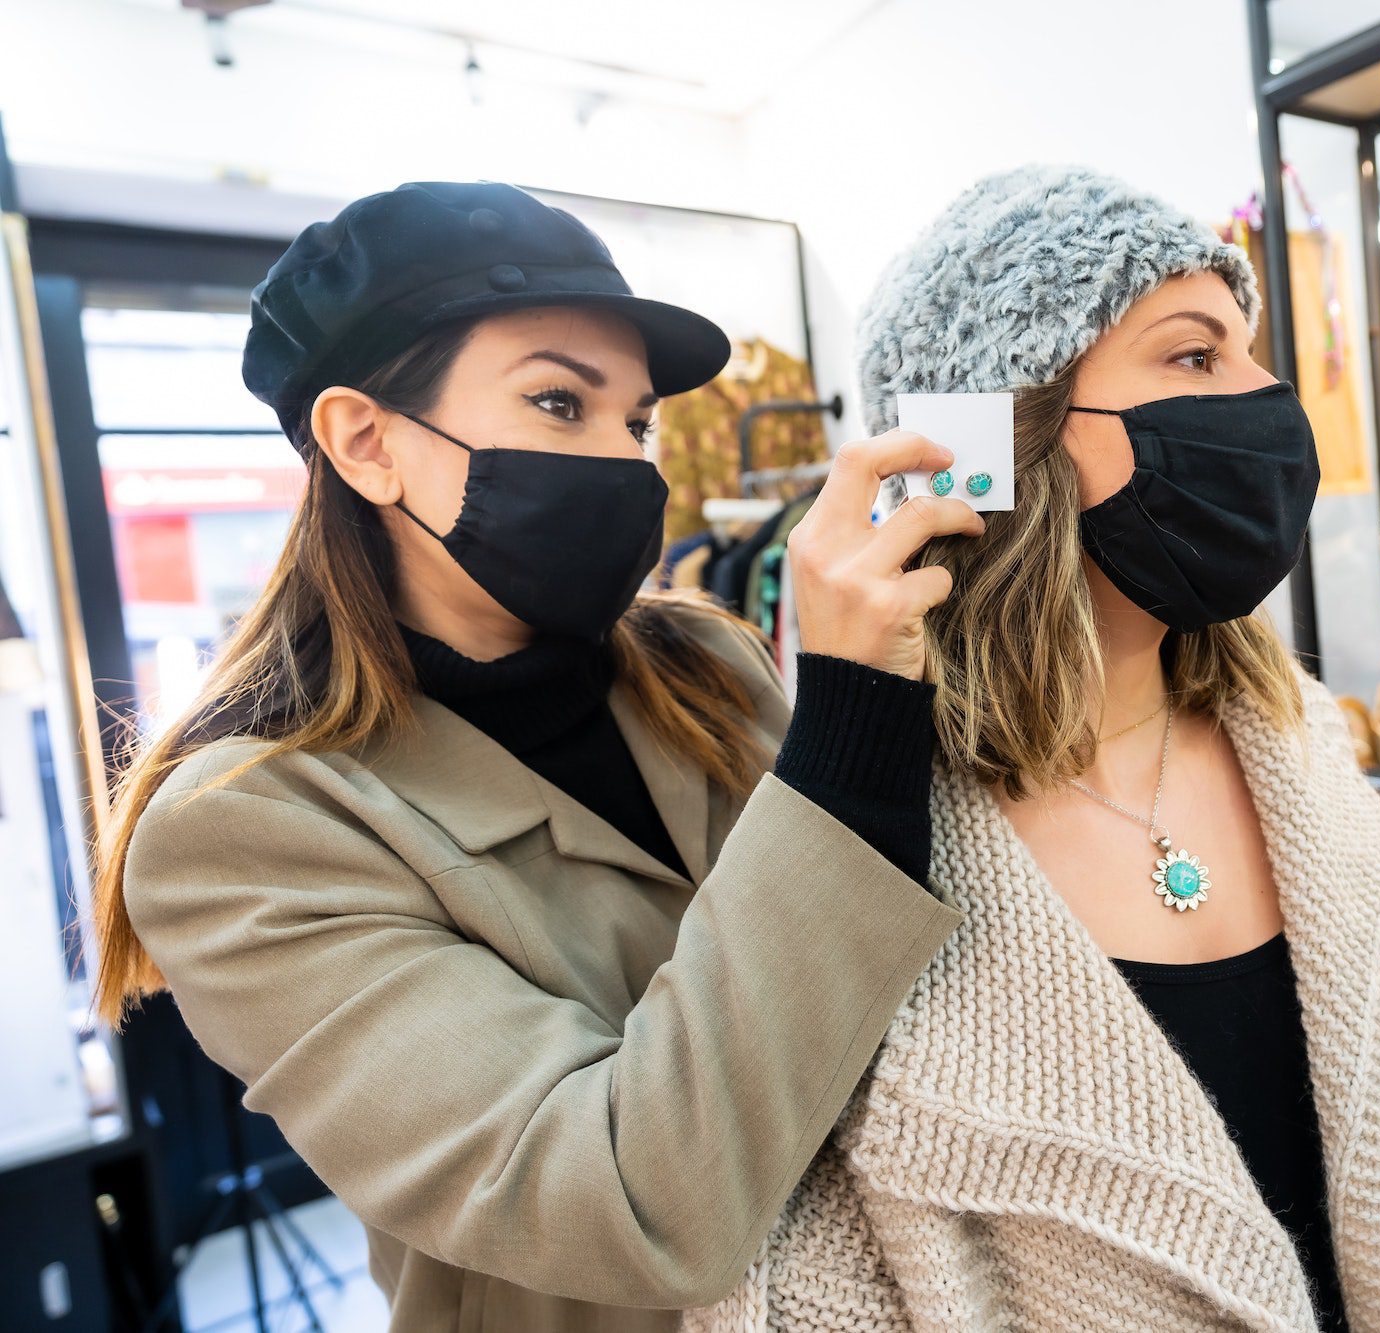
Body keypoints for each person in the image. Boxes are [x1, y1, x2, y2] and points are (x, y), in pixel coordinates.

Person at [92, 180, 987, 1331]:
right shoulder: (247, 831)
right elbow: (631, 1202)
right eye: (559, 401)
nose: (623, 461)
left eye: (637, 420)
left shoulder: (706, 666)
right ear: (366, 442)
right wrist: (851, 715)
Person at [688, 167, 1380, 1332]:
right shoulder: (868, 852)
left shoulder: (1297, 748)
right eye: (1194, 358)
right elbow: (802, 1283)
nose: (1263, 398)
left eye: (1248, 354)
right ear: (992, 439)